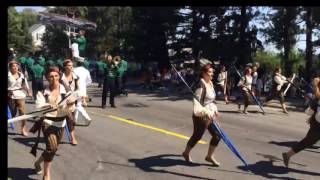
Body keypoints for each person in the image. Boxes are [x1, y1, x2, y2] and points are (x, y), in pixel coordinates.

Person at [33, 66, 76, 180]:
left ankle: (37, 163)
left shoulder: (66, 91)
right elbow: (38, 108)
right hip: (48, 122)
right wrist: (48, 106)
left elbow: (70, 110)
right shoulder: (43, 92)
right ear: (47, 78)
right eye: (51, 76)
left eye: (56, 76)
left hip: (61, 123)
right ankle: (46, 175)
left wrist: (71, 105)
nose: (54, 78)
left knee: (52, 149)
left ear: (59, 76)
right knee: (51, 148)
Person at [182, 63, 221, 166]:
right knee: (197, 136)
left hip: (210, 114)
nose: (212, 74)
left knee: (217, 135)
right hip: (201, 115)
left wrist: (215, 109)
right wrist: (206, 112)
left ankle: (209, 156)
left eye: (212, 72)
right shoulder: (201, 85)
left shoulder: (210, 83)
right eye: (210, 72)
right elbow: (197, 104)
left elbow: (211, 100)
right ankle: (186, 153)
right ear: (203, 73)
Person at [282, 77, 320, 167]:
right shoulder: (317, 98)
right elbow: (310, 112)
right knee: (307, 142)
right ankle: (287, 155)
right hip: (317, 125)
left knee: (308, 141)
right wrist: (314, 109)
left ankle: (287, 155)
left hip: (316, 123)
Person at [8, 61, 32, 136]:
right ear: (10, 67)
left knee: (22, 112)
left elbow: (24, 84)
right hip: (10, 95)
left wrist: (28, 91)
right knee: (12, 113)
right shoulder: (8, 75)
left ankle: (23, 129)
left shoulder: (21, 75)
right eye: (13, 66)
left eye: (16, 66)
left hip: (20, 95)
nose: (15, 67)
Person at [61, 59, 80, 145]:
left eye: (72, 65)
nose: (71, 67)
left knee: (71, 120)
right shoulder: (60, 78)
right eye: (69, 65)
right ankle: (72, 138)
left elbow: (78, 90)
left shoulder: (76, 77)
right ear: (65, 67)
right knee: (68, 120)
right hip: (62, 102)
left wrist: (78, 99)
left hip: (73, 102)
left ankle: (72, 137)